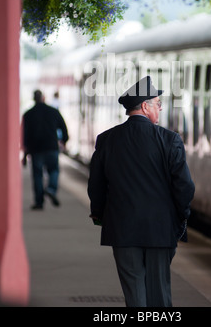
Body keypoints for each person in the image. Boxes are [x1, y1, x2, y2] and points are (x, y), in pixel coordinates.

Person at [87, 76, 195, 307]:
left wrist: (98, 214)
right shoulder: (169, 140)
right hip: (160, 228)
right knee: (160, 291)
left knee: (134, 291)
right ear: (145, 106)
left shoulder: (107, 139)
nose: (161, 107)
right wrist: (181, 214)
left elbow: (96, 184)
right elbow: (184, 186)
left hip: (122, 228)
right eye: (157, 103)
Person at [22, 89, 69, 210]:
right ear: (43, 98)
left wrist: (25, 153)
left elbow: (25, 135)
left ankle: (39, 202)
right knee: (54, 170)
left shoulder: (28, 114)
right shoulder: (53, 111)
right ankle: (51, 189)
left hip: (36, 149)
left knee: (37, 175)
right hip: (51, 147)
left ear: (34, 99)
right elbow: (63, 127)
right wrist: (64, 140)